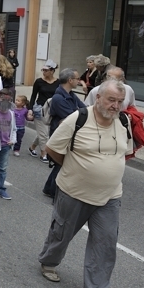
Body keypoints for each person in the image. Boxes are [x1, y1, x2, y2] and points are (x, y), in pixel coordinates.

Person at [37, 80, 130, 288]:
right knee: (62, 232)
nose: (115, 106)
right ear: (98, 98)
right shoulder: (77, 119)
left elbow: (123, 152)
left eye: (119, 101)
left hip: (110, 196)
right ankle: (48, 261)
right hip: (74, 191)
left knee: (106, 244)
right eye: (111, 100)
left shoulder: (123, 121)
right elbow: (53, 149)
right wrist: (77, 170)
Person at [42, 68, 87, 198]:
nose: (79, 81)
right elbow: (74, 117)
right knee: (62, 163)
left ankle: (49, 188)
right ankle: (53, 190)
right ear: (70, 80)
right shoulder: (58, 98)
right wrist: (77, 113)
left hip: (67, 133)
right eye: (77, 79)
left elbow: (83, 109)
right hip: (61, 135)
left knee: (61, 163)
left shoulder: (71, 95)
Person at [28, 60, 60, 162]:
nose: (44, 72)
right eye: (43, 70)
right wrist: (30, 109)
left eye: (46, 70)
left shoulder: (58, 82)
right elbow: (33, 96)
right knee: (44, 134)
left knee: (44, 133)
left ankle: (32, 147)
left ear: (52, 71)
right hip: (39, 109)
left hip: (52, 110)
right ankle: (43, 153)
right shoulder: (39, 81)